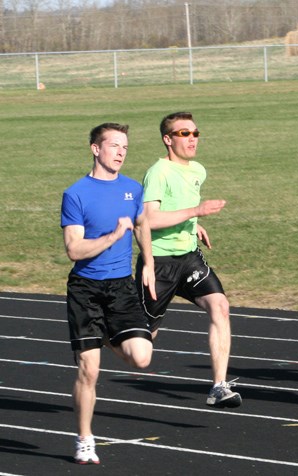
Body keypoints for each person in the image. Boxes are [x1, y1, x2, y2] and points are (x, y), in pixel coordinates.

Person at [61, 123, 156, 464]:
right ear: (95, 149)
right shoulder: (76, 194)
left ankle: (108, 337)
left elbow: (142, 222)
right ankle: (85, 439)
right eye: (114, 145)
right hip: (86, 290)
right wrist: (114, 237)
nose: (120, 152)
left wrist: (147, 262)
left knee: (142, 357)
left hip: (121, 288)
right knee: (90, 371)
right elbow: (74, 249)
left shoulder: (133, 188)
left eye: (125, 147)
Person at [135, 111, 241, 409]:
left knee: (220, 306)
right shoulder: (158, 172)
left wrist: (195, 227)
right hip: (159, 263)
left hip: (189, 259)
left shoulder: (197, 170)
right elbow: (148, 219)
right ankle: (99, 336)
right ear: (168, 139)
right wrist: (196, 213)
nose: (192, 138)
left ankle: (219, 387)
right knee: (142, 346)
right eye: (184, 133)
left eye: (195, 133)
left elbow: (179, 207)